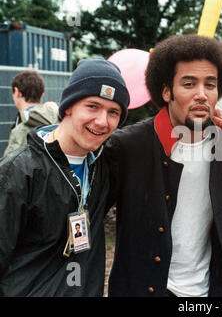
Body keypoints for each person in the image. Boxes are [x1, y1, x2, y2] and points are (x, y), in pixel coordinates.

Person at [106, 34, 222, 297]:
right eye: (188, 83)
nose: (201, 94)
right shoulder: (128, 146)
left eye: (210, 84)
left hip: (208, 291)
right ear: (166, 91)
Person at [0, 59, 130, 296]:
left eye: (113, 112)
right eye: (92, 106)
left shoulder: (106, 164)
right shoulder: (19, 171)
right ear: (69, 106)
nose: (102, 121)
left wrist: (205, 121)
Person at [3, 70, 59, 156]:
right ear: (42, 95)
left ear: (17, 92)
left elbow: (9, 164)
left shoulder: (21, 128)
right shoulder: (56, 120)